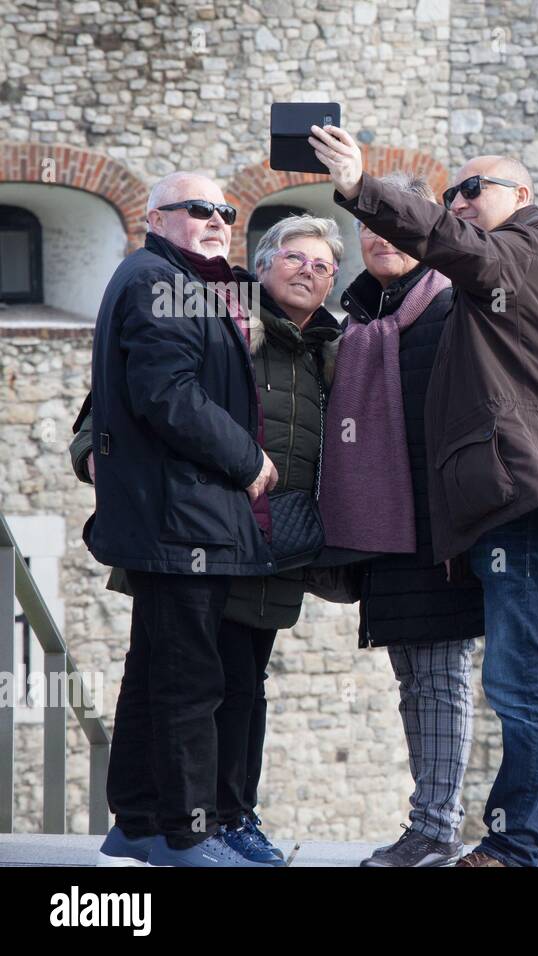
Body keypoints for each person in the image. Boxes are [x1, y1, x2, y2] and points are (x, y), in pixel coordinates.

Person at [311, 125, 538, 867]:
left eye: (473, 189)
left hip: (526, 498)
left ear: (523, 196)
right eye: (451, 193)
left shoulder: (529, 249)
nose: (459, 202)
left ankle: (515, 843)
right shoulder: (506, 281)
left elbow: (457, 250)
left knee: (523, 682)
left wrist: (361, 188)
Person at [74, 214, 345, 865]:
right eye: (295, 258)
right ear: (265, 264)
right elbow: (113, 406)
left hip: (282, 542)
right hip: (206, 534)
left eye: (323, 266)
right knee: (196, 678)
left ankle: (229, 814)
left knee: (247, 681)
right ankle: (188, 823)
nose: (307, 271)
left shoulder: (336, 350)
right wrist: (99, 460)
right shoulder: (218, 320)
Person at [82, 171, 280, 867]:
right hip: (181, 518)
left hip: (178, 515)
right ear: (156, 219)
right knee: (190, 680)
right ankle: (184, 833)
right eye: (198, 209)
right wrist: (248, 459)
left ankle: (135, 821)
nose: (217, 220)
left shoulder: (175, 282)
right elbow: (168, 396)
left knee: (156, 671)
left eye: (225, 211)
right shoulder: (153, 282)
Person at [320, 172, 484, 867]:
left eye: (394, 225)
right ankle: (428, 823)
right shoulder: (360, 321)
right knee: (412, 682)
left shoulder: (457, 309)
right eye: (369, 227)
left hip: (443, 533)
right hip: (386, 533)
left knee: (442, 680)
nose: (380, 237)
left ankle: (437, 827)